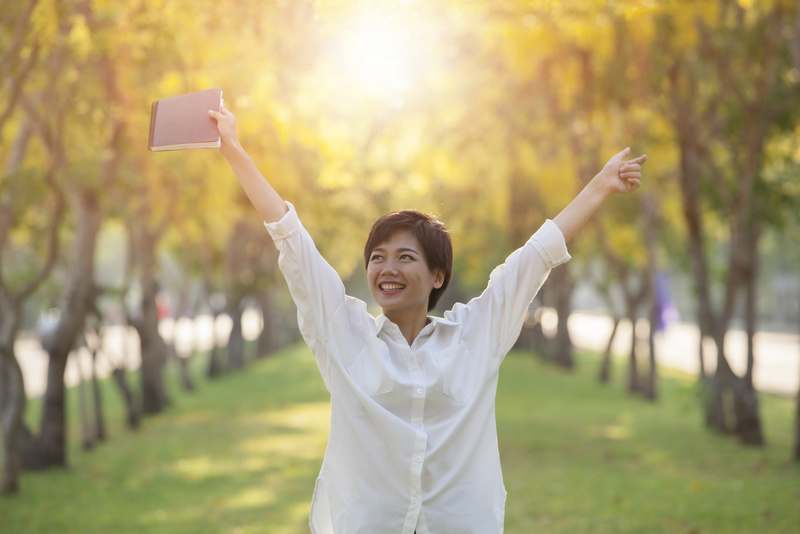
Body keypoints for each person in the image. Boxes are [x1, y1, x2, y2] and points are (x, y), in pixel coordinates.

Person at [209, 105, 646, 534]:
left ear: (437, 275)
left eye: (405, 257)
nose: (387, 269)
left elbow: (535, 257)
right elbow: (289, 235)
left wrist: (601, 185)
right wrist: (233, 150)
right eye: (377, 258)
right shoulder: (344, 333)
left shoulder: (475, 336)